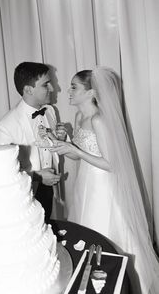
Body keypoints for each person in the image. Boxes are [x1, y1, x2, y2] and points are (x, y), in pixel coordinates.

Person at [49, 67, 159, 293]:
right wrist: (62, 143)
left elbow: (111, 165)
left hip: (103, 186)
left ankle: (120, 282)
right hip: (84, 183)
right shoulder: (80, 116)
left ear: (91, 93)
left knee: (105, 230)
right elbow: (79, 154)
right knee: (85, 230)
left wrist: (76, 150)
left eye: (74, 87)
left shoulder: (100, 120)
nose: (68, 91)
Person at [0, 62, 66, 222]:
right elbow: (1, 175)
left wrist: (60, 139)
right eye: (46, 84)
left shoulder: (51, 111)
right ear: (28, 90)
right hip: (25, 200)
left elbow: (49, 148)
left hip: (52, 193)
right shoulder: (5, 127)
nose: (53, 89)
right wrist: (38, 177)